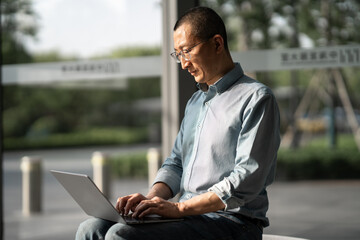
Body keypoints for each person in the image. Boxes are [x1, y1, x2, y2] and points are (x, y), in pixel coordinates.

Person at [76, 6, 280, 240]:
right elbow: (176, 164)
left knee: (121, 235)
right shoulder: (196, 102)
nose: (183, 63)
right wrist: (152, 199)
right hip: (190, 218)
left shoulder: (257, 98)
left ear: (216, 43)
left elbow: (246, 179)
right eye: (178, 54)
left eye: (187, 51)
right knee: (90, 228)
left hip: (233, 222)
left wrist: (180, 208)